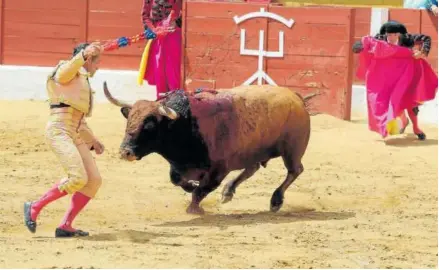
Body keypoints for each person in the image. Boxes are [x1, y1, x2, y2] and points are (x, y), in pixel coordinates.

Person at [23, 42, 105, 238]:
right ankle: (34, 206)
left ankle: (66, 225)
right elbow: (62, 74)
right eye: (96, 62)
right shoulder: (65, 70)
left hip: (74, 132)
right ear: (87, 60)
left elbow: (80, 121)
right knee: (78, 178)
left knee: (93, 180)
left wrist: (93, 140)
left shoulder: (82, 81)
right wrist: (84, 54)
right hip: (59, 131)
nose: (98, 66)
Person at [353, 21, 437, 140]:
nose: (391, 38)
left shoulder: (407, 39)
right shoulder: (379, 38)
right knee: (393, 100)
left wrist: (423, 52)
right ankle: (403, 120)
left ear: (399, 35)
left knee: (410, 101)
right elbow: (362, 45)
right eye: (389, 35)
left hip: (407, 74)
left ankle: (416, 127)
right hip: (389, 77)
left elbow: (426, 38)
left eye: (394, 35)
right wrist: (359, 47)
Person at [141, 0, 182, 100]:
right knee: (159, 69)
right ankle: (161, 100)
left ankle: (176, 101)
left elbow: (186, 13)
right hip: (157, 38)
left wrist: (176, 23)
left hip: (174, 36)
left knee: (173, 71)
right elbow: (145, 16)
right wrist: (153, 30)